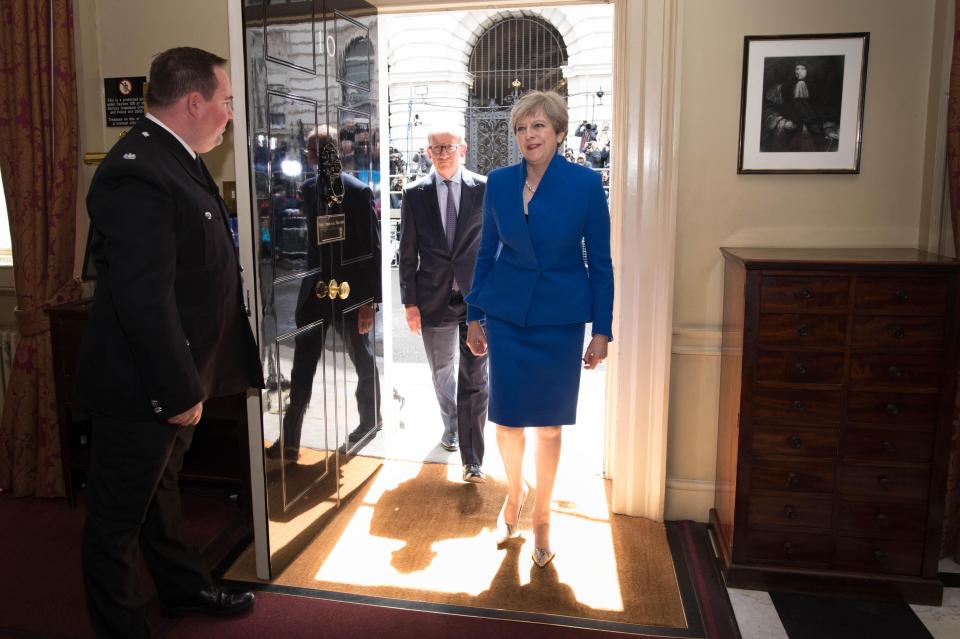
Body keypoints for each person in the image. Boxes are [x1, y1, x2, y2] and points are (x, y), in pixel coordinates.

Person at [74, 48, 263, 637]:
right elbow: (142, 298)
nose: (231, 114)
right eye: (227, 101)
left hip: (179, 374)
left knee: (161, 496)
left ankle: (181, 590)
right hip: (142, 386)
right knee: (115, 522)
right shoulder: (137, 168)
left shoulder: (174, 157)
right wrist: (177, 390)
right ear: (193, 102)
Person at [465, 91, 613, 568]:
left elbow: (602, 264)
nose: (529, 136)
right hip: (507, 317)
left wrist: (602, 330)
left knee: (549, 426)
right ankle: (514, 496)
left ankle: (544, 515)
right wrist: (473, 314)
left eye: (539, 127)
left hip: (559, 320)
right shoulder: (500, 183)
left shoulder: (587, 185)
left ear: (560, 132)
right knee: (507, 423)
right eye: (522, 129)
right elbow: (486, 253)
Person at [267, 126, 382, 461]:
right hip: (315, 294)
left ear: (330, 153)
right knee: (303, 366)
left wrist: (368, 303)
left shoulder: (358, 193)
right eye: (309, 150)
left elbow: (371, 250)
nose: (308, 155)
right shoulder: (307, 189)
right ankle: (290, 440)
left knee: (362, 359)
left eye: (313, 150)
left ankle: (369, 420)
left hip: (349, 294)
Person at [398, 129, 489, 483]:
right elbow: (407, 253)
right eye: (436, 148)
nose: (442, 153)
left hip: (475, 301)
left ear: (462, 149)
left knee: (476, 377)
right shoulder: (414, 194)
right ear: (428, 152)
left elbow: (494, 244)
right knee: (441, 373)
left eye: (448, 147)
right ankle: (452, 424)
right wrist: (409, 302)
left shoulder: (483, 189)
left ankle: (472, 458)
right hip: (432, 298)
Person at [761, 61, 840, 152]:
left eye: (803, 69)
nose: (798, 72)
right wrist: (782, 122)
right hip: (789, 134)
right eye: (797, 69)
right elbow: (769, 109)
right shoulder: (782, 89)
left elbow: (825, 112)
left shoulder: (818, 89)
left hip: (815, 133)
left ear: (809, 70)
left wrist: (828, 128)